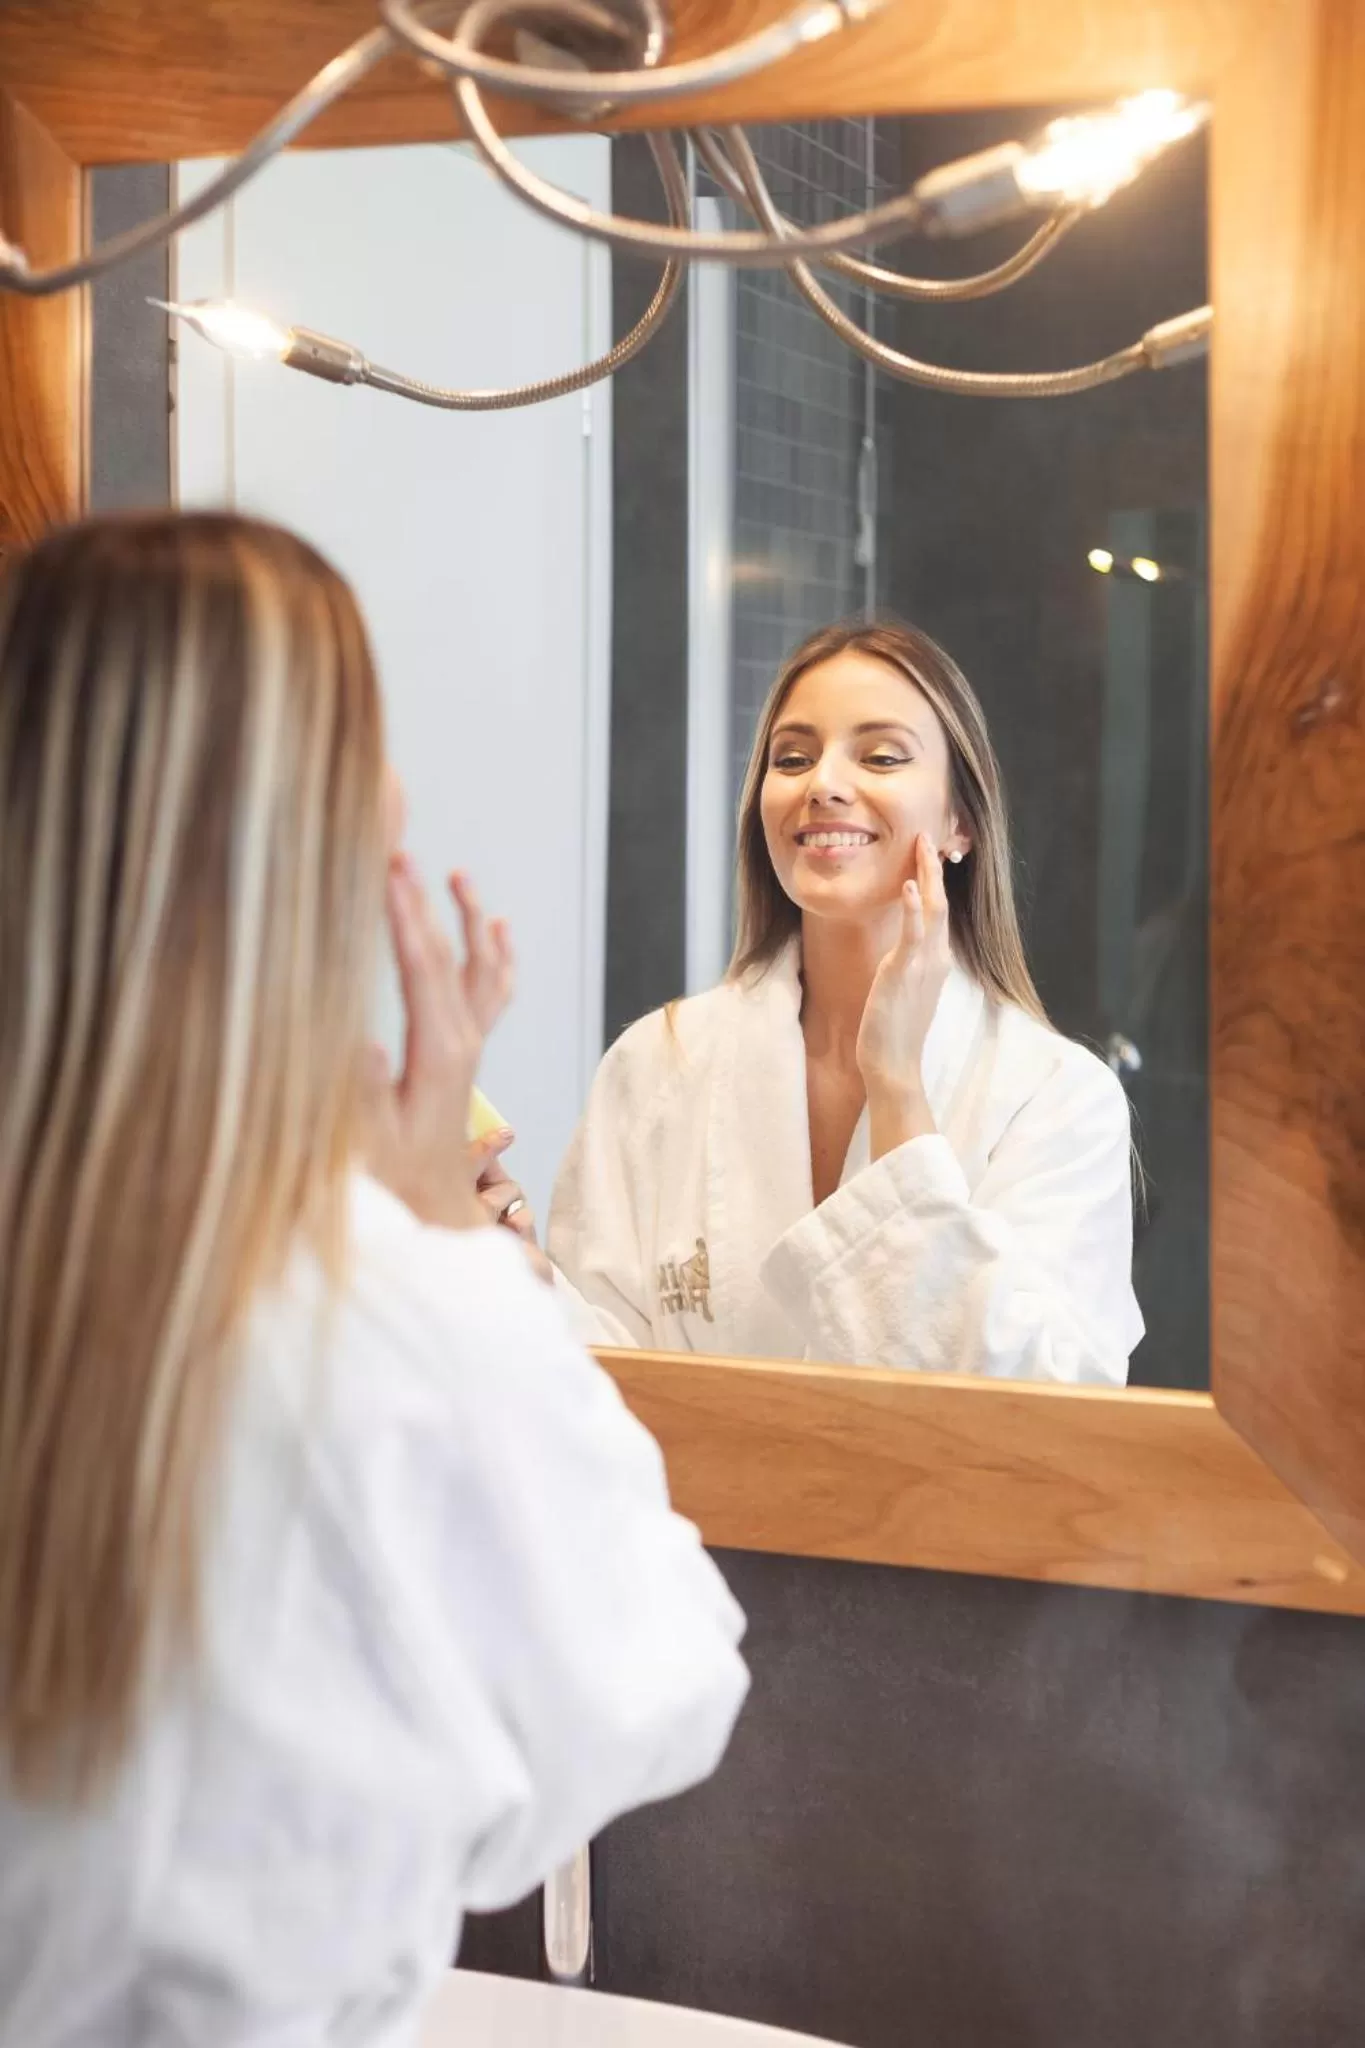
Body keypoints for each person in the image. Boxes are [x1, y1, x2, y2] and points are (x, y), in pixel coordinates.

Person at [0, 513, 747, 2048]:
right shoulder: (369, 1322)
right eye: (367, 742)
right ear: (295, 831)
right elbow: (659, 1688)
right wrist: (435, 1237)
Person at [538, 620, 1143, 1385]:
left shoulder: (1055, 1097)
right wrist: (513, 1272)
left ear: (960, 822)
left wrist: (895, 1084)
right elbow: (593, 1376)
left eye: (881, 755)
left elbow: (1047, 1410)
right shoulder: (659, 1062)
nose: (820, 783)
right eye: (791, 758)